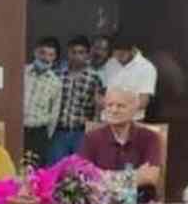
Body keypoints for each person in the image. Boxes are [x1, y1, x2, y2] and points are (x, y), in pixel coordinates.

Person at [78, 87, 163, 204]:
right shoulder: (91, 138)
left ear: (134, 110)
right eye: (109, 105)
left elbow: (150, 177)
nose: (114, 110)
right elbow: (84, 178)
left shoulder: (150, 137)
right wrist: (135, 176)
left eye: (121, 106)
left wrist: (104, 177)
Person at [47, 35, 96, 163]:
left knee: (80, 170)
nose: (77, 56)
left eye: (81, 52)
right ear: (68, 53)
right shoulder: (57, 74)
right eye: (73, 52)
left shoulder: (94, 77)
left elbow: (97, 106)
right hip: (58, 132)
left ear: (87, 55)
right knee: (55, 169)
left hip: (81, 133)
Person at [23, 37, 62, 166]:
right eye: (42, 53)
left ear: (55, 58)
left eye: (51, 55)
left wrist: (46, 137)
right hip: (19, 129)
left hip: (38, 134)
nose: (46, 58)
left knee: (35, 170)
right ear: (35, 52)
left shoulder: (55, 82)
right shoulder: (22, 73)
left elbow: (54, 113)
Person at [109, 35, 158, 121]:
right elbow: (100, 94)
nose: (118, 57)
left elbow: (143, 102)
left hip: (131, 121)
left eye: (123, 53)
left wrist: (117, 108)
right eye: (116, 53)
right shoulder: (111, 63)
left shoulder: (146, 67)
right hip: (107, 119)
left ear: (133, 50)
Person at [88, 35, 124, 122]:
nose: (99, 52)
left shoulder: (115, 70)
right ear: (91, 48)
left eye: (104, 49)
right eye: (96, 48)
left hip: (103, 118)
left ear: (109, 53)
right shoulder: (82, 65)